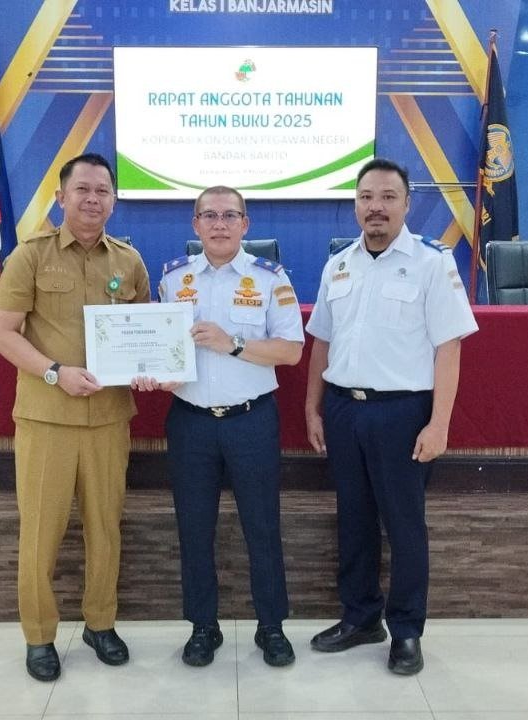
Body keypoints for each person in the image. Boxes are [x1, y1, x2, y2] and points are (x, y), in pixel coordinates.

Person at [303, 158, 477, 676]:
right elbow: (321, 342)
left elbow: (449, 347)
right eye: (366, 197)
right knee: (353, 519)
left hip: (402, 413)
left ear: (407, 203)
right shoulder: (338, 265)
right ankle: (360, 618)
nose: (375, 207)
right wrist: (312, 407)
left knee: (404, 526)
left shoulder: (431, 264)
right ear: (355, 204)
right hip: (343, 410)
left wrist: (439, 423)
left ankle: (405, 630)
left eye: (387, 197)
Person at [0, 152, 150, 683]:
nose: (92, 199)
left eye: (103, 191)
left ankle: (100, 624)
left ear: (114, 201)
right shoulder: (30, 256)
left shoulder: (129, 261)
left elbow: (144, 336)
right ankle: (39, 635)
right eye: (82, 189)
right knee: (41, 532)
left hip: (108, 420)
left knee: (106, 529)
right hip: (47, 418)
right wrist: (55, 373)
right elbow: (2, 334)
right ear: (60, 197)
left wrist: (150, 368)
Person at [143, 186, 304, 668]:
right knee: (194, 528)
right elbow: (163, 348)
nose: (219, 224)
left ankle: (271, 627)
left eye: (230, 215)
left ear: (245, 224)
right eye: (209, 215)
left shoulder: (270, 278)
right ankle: (202, 627)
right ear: (195, 224)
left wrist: (232, 343)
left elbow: (291, 351)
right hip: (190, 423)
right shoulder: (173, 278)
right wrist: (155, 371)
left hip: (250, 420)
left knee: (262, 527)